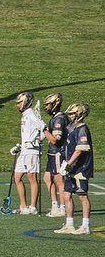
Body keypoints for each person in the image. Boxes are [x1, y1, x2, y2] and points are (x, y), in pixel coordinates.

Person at [55, 103, 93, 235]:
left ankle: (85, 225)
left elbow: (80, 150)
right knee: (66, 194)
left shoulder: (82, 129)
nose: (70, 116)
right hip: (71, 167)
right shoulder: (72, 128)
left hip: (80, 168)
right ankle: (69, 224)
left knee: (82, 195)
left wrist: (68, 164)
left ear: (79, 114)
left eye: (72, 113)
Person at [10, 92, 44, 215]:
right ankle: (23, 206)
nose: (17, 105)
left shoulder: (31, 114)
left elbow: (43, 129)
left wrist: (37, 141)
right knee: (16, 177)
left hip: (31, 151)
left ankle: (33, 206)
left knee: (31, 177)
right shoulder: (25, 115)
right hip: (24, 151)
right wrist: (19, 146)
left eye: (19, 102)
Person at [41, 93, 69, 218]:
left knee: (59, 180)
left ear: (55, 104)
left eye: (48, 104)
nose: (46, 107)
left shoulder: (59, 119)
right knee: (47, 178)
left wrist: (44, 129)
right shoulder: (54, 117)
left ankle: (62, 207)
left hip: (58, 152)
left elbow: (55, 139)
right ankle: (54, 205)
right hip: (52, 152)